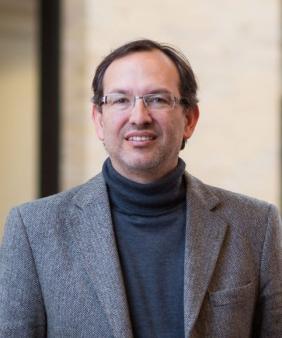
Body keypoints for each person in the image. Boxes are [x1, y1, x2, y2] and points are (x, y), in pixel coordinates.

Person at [0, 39, 281, 338]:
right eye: (120, 100)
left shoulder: (255, 224)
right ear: (98, 119)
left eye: (158, 99)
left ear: (189, 119)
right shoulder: (33, 229)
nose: (139, 117)